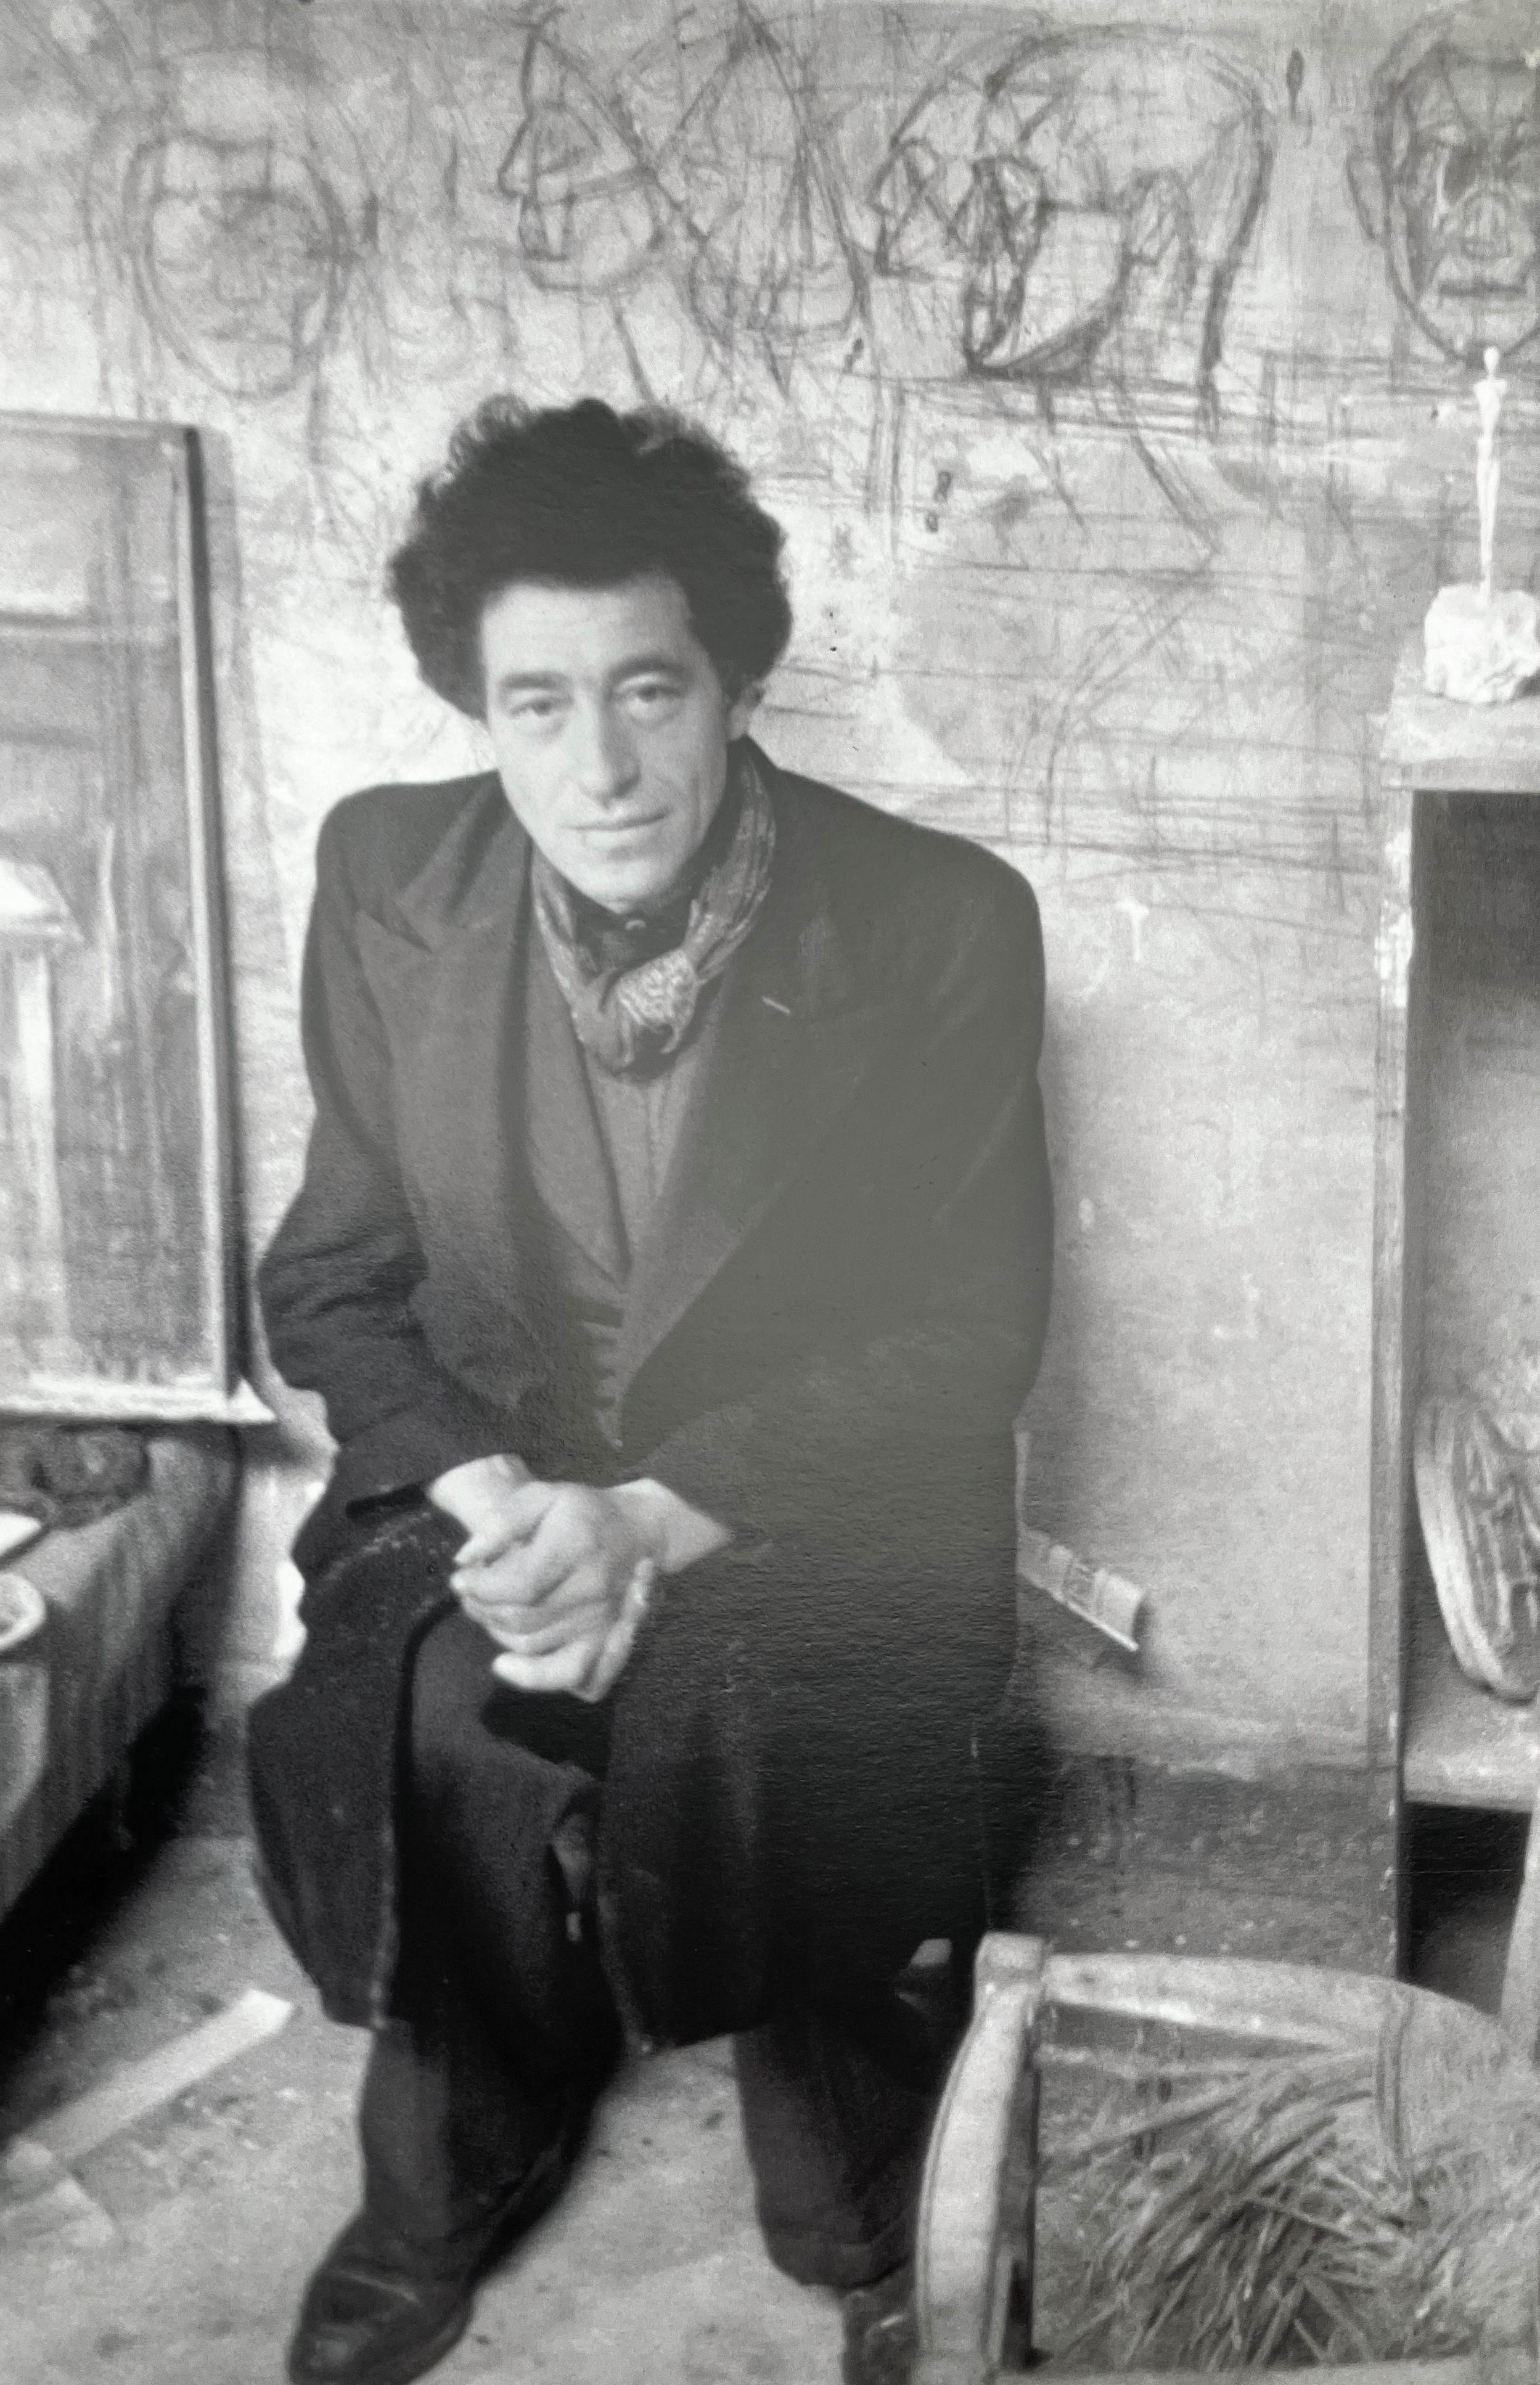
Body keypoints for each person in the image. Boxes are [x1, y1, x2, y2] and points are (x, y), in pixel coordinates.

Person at [248, 396, 1053, 2385]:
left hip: (802, 1507)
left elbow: (966, 1335)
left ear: (734, 681)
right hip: (496, 1492)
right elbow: (331, 1280)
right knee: (437, 1712)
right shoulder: (387, 878)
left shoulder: (938, 920)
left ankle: (852, 2141)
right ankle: (467, 2116)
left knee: (749, 1723)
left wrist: (652, 1517)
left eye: (646, 690)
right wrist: (501, 1507)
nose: (598, 769)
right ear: (477, 707)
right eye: (536, 705)